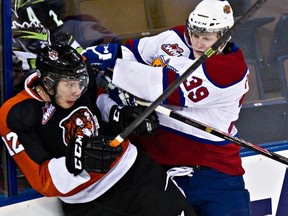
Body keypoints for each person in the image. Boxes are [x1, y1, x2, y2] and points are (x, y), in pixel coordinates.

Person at [84, 0, 252, 215]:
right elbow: (132, 52)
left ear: (224, 36)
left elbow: (163, 88)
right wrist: (98, 55)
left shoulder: (230, 70)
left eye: (207, 39)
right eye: (195, 35)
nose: (198, 44)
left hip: (214, 174)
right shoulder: (176, 38)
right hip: (159, 168)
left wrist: (114, 66)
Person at [0, 43, 198, 216]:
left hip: (134, 174)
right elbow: (41, 179)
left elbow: (96, 99)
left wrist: (118, 114)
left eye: (80, 83)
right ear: (49, 82)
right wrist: (78, 161)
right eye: (69, 85)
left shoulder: (80, 79)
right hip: (88, 203)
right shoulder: (17, 114)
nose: (77, 91)